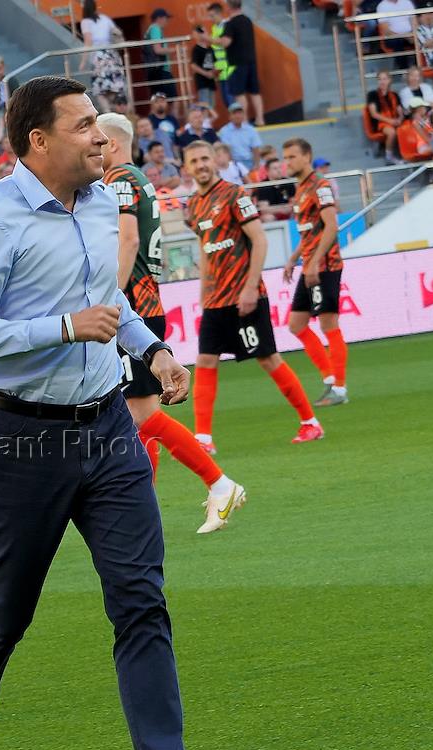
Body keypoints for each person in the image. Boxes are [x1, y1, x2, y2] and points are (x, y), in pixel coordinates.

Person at [0, 75, 227, 750]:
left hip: (106, 430)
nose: (102, 136)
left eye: (100, 123)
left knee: (141, 599)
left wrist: (152, 349)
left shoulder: (103, 203)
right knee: (6, 613)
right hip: (20, 440)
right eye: (84, 125)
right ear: (38, 141)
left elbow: (110, 301)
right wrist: (64, 327)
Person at [97, 112, 245, 532]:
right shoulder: (139, 179)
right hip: (146, 303)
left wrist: (111, 297)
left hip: (133, 307)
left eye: (97, 138)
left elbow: (128, 239)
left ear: (112, 142)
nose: (92, 144)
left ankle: (220, 483)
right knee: (138, 415)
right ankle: (144, 510)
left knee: (139, 413)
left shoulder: (119, 179)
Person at [183, 140, 323, 452]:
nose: (201, 165)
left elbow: (259, 240)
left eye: (204, 158)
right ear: (187, 167)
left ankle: (310, 422)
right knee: (204, 359)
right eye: (194, 161)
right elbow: (206, 247)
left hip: (245, 296)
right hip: (216, 299)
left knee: (268, 358)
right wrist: (204, 289)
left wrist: (249, 287)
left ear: (215, 161)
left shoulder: (235, 194)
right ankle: (203, 438)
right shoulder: (192, 204)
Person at [281, 138, 349, 408]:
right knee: (296, 324)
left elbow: (331, 226)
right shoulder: (301, 189)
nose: (287, 162)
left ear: (307, 156)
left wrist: (314, 263)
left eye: (292, 156)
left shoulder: (320, 185)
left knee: (328, 324)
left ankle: (340, 389)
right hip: (310, 265)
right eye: (285, 157)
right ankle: (330, 379)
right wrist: (293, 259)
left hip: (325, 266)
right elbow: (309, 232)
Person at [215, 0, 264, 126]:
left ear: (228, 7)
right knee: (254, 92)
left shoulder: (231, 23)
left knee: (239, 94)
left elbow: (226, 42)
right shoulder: (247, 20)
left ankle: (245, 122)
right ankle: (260, 119)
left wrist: (209, 39)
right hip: (251, 61)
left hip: (237, 63)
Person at [217, 101, 261, 166]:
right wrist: (234, 167)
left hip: (250, 161)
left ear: (243, 115)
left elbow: (256, 149)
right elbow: (227, 152)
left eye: (240, 113)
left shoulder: (251, 129)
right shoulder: (224, 131)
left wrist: (256, 165)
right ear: (229, 116)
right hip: (234, 162)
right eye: (234, 113)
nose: (237, 116)